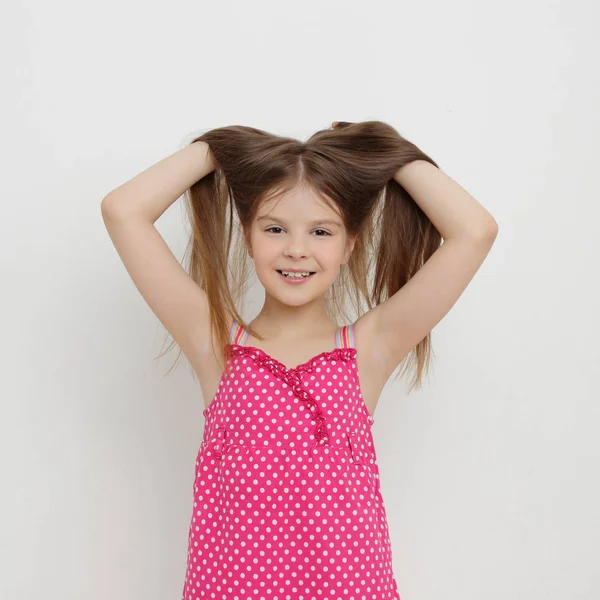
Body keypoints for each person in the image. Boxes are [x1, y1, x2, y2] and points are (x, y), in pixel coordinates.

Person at [101, 121, 498, 600]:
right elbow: (123, 211)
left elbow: (475, 231)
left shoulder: (369, 349)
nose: (296, 249)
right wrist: (221, 150)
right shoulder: (217, 347)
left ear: (350, 245)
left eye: (320, 231)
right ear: (248, 238)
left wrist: (385, 152)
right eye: (274, 228)